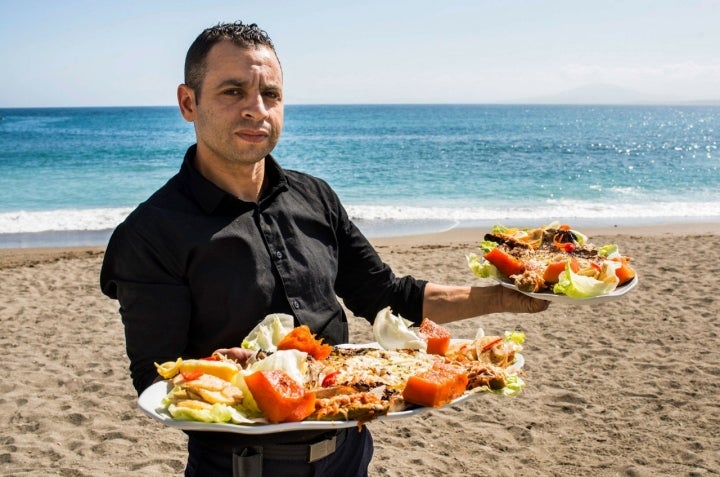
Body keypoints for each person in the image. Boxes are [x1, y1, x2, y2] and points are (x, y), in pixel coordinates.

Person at [100, 21, 548, 477]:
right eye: (233, 92)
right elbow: (158, 379)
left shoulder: (315, 196)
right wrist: (240, 370)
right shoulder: (149, 233)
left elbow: (386, 297)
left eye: (270, 94)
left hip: (349, 453)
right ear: (188, 103)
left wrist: (499, 298)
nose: (257, 110)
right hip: (242, 467)